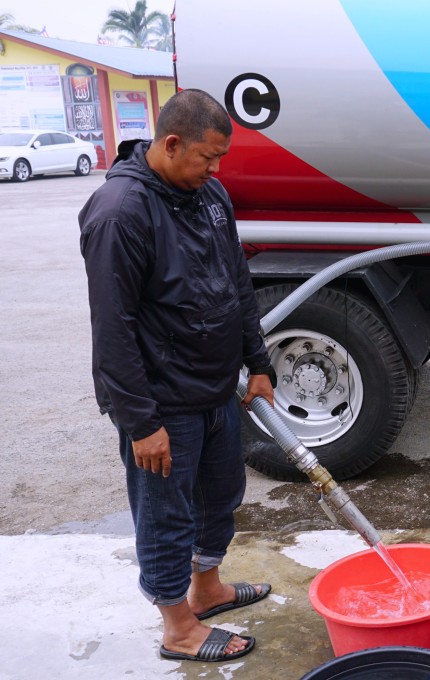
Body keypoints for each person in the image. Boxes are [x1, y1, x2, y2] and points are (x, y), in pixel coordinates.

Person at [79, 89, 276, 662]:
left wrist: (258, 364)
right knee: (166, 515)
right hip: (161, 403)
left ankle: (207, 589)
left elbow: (237, 282)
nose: (215, 171)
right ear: (170, 144)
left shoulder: (208, 195)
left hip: (214, 389)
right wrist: (142, 423)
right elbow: (112, 329)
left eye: (219, 160)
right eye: (206, 158)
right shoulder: (120, 212)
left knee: (220, 497)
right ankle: (178, 627)